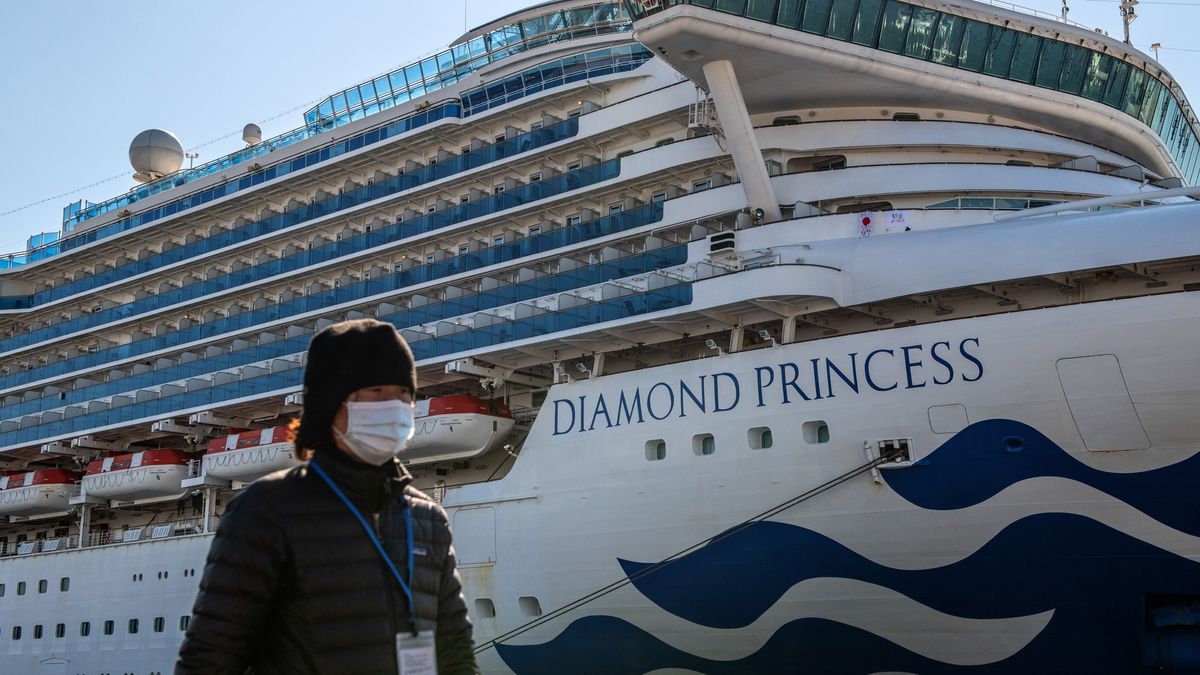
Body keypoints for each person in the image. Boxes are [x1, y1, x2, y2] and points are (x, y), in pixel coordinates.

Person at [177, 319, 478, 674]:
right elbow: (210, 658)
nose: (396, 407)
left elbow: (455, 653)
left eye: (404, 395)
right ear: (330, 404)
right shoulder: (267, 510)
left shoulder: (427, 517)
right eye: (376, 392)